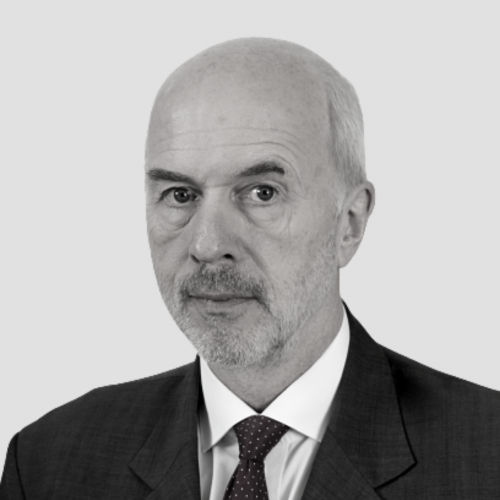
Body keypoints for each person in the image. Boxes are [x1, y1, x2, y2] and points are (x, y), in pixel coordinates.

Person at [1, 38, 499, 500]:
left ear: (349, 223)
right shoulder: (47, 463)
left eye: (262, 193)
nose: (208, 245)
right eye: (180, 194)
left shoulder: (487, 456)